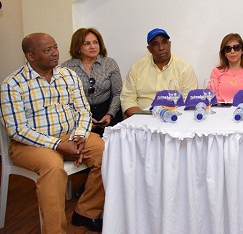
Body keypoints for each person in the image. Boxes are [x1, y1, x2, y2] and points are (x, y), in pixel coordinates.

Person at [0, 33, 105, 233]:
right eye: (48, 50)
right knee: (52, 166)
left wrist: (80, 136)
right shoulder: (12, 85)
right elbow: (17, 129)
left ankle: (86, 212)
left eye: (55, 47)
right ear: (30, 56)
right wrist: (57, 145)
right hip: (29, 145)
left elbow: (83, 110)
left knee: (105, 151)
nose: (55, 53)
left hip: (70, 137)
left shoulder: (68, 75)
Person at [120, 28, 198, 117]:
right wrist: (140, 119)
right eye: (155, 44)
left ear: (170, 44)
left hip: (174, 119)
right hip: (142, 118)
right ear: (149, 49)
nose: (161, 48)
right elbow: (127, 99)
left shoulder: (184, 68)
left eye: (164, 42)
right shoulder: (137, 68)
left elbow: (189, 100)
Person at [63, 27, 122, 136]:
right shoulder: (66, 67)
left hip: (107, 110)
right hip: (79, 113)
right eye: (87, 43)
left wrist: (110, 114)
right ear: (78, 47)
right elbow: (65, 99)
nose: (93, 46)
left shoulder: (109, 63)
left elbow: (117, 93)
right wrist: (85, 118)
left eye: (95, 42)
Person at [210, 33, 243, 102]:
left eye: (236, 47)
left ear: (242, 51)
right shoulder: (216, 71)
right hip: (222, 108)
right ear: (224, 53)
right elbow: (211, 96)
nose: (232, 51)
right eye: (228, 49)